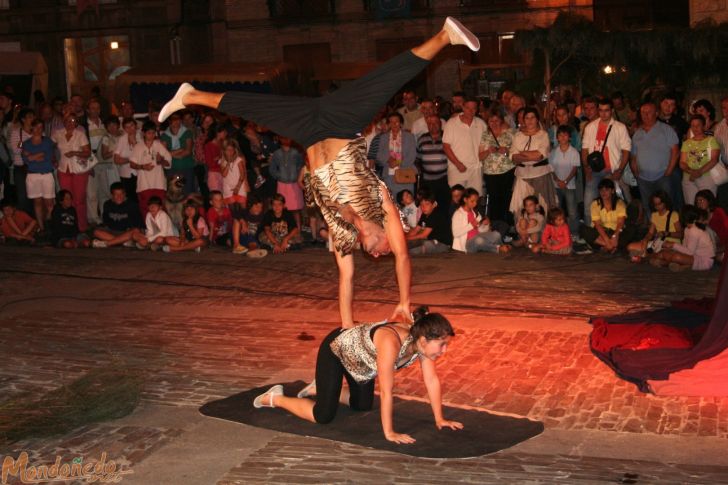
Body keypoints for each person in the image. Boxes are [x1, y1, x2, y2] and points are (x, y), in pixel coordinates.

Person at [157, 17, 481, 327]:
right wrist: (403, 302)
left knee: (254, 108)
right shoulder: (382, 205)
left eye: (378, 255)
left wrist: (347, 324)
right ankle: (444, 36)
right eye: (385, 251)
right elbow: (403, 259)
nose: (380, 255)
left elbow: (346, 278)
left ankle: (189, 95)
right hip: (342, 121)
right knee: (386, 80)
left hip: (309, 130)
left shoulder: (343, 232)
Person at [252, 307, 463, 445]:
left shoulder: (421, 344)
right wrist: (389, 432)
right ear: (425, 339)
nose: (444, 350)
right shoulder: (391, 343)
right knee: (323, 415)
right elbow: (387, 392)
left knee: (362, 405)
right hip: (337, 350)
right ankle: (275, 398)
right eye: (442, 344)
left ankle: (321, 388)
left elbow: (431, 381)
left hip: (361, 365)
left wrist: (440, 418)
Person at [581, 98, 632, 226]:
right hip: (594, 170)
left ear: (612, 111)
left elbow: (626, 150)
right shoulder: (590, 127)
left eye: (606, 110)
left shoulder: (620, 127)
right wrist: (586, 168)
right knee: (588, 203)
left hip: (613, 169)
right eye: (601, 110)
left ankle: (623, 229)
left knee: (620, 202)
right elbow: (584, 149)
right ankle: (591, 233)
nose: (603, 113)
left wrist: (619, 170)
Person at [630, 101, 680, 216]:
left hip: (663, 176)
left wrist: (669, 170)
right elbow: (633, 156)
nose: (645, 115)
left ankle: (669, 230)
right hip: (643, 178)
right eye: (643, 112)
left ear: (656, 113)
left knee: (667, 205)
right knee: (648, 206)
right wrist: (635, 171)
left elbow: (675, 151)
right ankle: (652, 230)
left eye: (649, 112)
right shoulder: (637, 133)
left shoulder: (666, 129)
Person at [510, 108, 554, 217]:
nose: (529, 120)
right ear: (523, 120)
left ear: (537, 119)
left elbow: (540, 155)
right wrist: (531, 154)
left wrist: (522, 153)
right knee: (520, 206)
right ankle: (524, 232)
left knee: (542, 206)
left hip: (540, 174)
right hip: (522, 175)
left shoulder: (543, 135)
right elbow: (514, 157)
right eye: (527, 118)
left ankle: (542, 233)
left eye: (532, 117)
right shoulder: (518, 136)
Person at [52, 115, 92, 232]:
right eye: (68, 121)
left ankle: (82, 226)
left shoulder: (80, 134)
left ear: (76, 123)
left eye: (73, 121)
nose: (70, 123)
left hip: (78, 170)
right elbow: (49, 147)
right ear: (64, 122)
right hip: (63, 169)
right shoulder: (58, 134)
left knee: (79, 200)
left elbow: (87, 153)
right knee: (66, 200)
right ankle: (69, 225)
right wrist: (53, 158)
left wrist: (75, 152)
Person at [651, 205, 715, 272]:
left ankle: (663, 263)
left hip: (704, 261)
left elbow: (689, 252)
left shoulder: (694, 231)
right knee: (665, 253)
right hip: (694, 257)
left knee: (676, 257)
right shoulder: (687, 229)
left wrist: (673, 245)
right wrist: (671, 248)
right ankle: (681, 266)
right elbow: (685, 248)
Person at [579, 178, 636, 253]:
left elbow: (620, 223)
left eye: (606, 190)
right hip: (600, 234)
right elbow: (598, 225)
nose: (603, 192)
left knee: (632, 230)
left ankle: (605, 247)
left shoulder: (619, 203)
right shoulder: (595, 204)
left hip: (615, 232)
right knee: (583, 229)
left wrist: (615, 236)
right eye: (601, 190)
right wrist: (607, 240)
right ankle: (610, 246)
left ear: (612, 191)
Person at [480, 108, 516, 226]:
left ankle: (507, 226)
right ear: (487, 122)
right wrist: (488, 151)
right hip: (490, 173)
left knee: (507, 199)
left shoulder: (510, 133)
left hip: (507, 171)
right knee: (494, 201)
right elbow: (480, 156)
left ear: (501, 120)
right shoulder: (485, 135)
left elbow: (517, 152)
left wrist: (506, 151)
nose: (494, 123)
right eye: (491, 121)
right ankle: (496, 226)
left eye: (496, 120)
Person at [443, 97, 486, 193]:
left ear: (477, 109)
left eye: (473, 108)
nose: (470, 111)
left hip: (475, 169)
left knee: (474, 200)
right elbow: (446, 146)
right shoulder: (452, 123)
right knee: (457, 199)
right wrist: (458, 164)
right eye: (467, 108)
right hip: (456, 169)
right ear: (463, 107)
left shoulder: (481, 124)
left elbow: (484, 145)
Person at [627, 190, 682, 263]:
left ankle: (646, 257)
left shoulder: (673, 214)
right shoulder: (654, 215)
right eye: (655, 204)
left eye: (659, 204)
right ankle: (649, 257)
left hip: (670, 243)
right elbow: (650, 233)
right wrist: (646, 239)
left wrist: (667, 233)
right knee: (630, 247)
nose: (657, 207)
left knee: (664, 253)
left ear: (665, 203)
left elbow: (680, 234)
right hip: (658, 243)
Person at [130, 121, 172, 217]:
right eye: (149, 133)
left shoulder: (159, 145)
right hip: (144, 184)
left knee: (160, 208)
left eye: (153, 133)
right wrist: (142, 167)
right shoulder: (138, 146)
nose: (151, 135)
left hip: (159, 183)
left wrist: (161, 161)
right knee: (146, 208)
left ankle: (162, 230)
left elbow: (169, 162)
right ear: (144, 133)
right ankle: (149, 229)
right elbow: (132, 164)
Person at [21, 119, 56, 232]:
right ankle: (41, 227)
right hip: (32, 175)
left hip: (46, 174)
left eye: (41, 127)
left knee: (49, 202)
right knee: (37, 202)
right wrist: (37, 155)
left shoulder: (47, 141)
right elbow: (26, 160)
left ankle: (49, 222)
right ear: (32, 128)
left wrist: (32, 155)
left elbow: (47, 157)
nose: (38, 130)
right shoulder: (26, 143)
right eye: (36, 127)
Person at [452, 188, 510, 254]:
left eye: (476, 201)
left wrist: (486, 224)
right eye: (472, 201)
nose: (475, 204)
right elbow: (456, 233)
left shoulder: (474, 212)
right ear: (465, 199)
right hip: (466, 244)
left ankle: (499, 246)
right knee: (479, 240)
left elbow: (480, 230)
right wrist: (471, 225)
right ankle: (497, 248)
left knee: (496, 234)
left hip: (478, 236)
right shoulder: (458, 214)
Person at [680, 114, 720, 205]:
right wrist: (691, 172)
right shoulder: (686, 143)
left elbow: (714, 159)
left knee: (707, 205)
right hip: (689, 179)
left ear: (703, 126)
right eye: (693, 126)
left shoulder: (711, 140)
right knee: (691, 206)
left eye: (698, 125)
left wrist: (699, 172)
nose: (695, 128)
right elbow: (682, 162)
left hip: (707, 177)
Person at [548, 124, 580, 236]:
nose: (562, 138)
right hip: (556, 186)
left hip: (569, 186)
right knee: (557, 211)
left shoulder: (574, 152)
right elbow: (551, 169)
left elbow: (574, 169)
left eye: (565, 135)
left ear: (569, 137)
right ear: (557, 137)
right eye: (560, 135)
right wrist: (558, 181)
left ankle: (574, 233)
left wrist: (565, 181)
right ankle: (558, 233)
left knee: (572, 211)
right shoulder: (553, 152)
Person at [377, 112, 417, 196]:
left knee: (406, 202)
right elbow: (378, 155)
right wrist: (388, 160)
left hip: (405, 174)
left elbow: (412, 155)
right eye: (391, 122)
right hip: (388, 175)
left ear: (401, 123)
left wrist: (398, 162)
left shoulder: (409, 136)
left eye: (396, 122)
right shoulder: (383, 137)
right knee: (390, 202)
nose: (394, 124)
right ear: (388, 124)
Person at [269, 136, 304, 229]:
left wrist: (297, 177)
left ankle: (298, 231)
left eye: (287, 138)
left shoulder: (296, 152)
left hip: (294, 184)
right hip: (282, 185)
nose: (285, 140)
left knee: (296, 210)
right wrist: (279, 176)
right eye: (283, 138)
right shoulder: (277, 154)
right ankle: (284, 231)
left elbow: (301, 166)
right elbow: (272, 168)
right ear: (280, 139)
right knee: (282, 210)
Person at [161, 113, 196, 195]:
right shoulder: (165, 135)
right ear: (170, 121)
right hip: (172, 168)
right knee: (173, 192)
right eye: (174, 120)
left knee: (188, 191)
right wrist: (180, 150)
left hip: (187, 167)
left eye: (178, 120)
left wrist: (171, 154)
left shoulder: (187, 132)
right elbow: (164, 153)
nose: (176, 122)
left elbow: (188, 151)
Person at [114, 117, 141, 202]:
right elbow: (116, 160)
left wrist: (135, 143)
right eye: (127, 127)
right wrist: (130, 159)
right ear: (124, 129)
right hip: (125, 174)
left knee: (140, 197)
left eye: (132, 126)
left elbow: (142, 157)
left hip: (140, 173)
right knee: (129, 199)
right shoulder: (122, 139)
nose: (130, 129)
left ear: (136, 126)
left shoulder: (141, 137)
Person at [220, 139, 248, 209]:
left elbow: (242, 174)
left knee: (243, 208)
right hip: (228, 187)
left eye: (231, 150)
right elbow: (224, 174)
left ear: (234, 150)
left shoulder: (239, 160)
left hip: (239, 186)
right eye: (228, 150)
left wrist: (237, 187)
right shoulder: (222, 161)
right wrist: (228, 163)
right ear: (224, 151)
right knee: (232, 209)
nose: (230, 152)